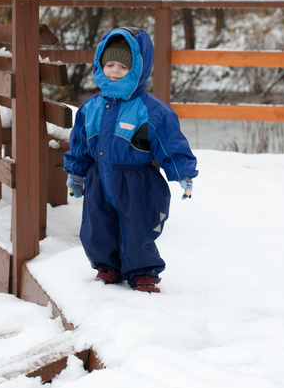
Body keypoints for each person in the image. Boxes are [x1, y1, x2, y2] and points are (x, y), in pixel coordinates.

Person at [63, 27, 198, 293]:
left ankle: (142, 272)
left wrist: (183, 172)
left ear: (138, 68)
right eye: (109, 63)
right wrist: (76, 173)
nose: (114, 70)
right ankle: (107, 266)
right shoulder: (90, 107)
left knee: (138, 227)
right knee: (96, 225)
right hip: (98, 179)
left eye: (123, 66)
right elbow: (79, 143)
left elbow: (171, 143)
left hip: (137, 181)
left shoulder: (151, 110)